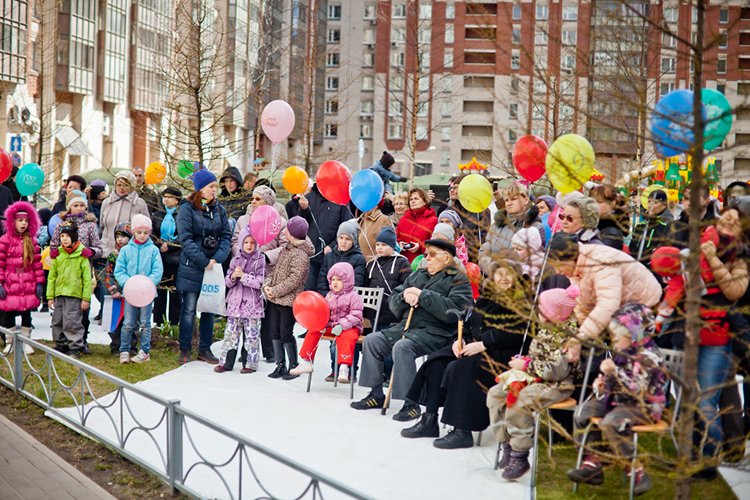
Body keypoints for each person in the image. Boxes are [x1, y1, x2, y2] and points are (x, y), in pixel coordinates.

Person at [400, 258, 531, 446]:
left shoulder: (522, 301)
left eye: (508, 274)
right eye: (499, 274)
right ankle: (429, 419)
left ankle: (462, 430)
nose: (503, 279)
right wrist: (459, 340)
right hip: (474, 348)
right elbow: (470, 325)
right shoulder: (487, 298)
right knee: (438, 360)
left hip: (502, 355)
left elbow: (516, 332)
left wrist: (484, 344)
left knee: (462, 367)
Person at [350, 239, 472, 414]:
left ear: (446, 258)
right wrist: (404, 296)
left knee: (403, 347)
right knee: (372, 340)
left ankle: (410, 402)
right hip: (406, 327)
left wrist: (423, 296)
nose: (427, 258)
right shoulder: (418, 275)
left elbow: (456, 311)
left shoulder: (458, 280)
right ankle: (376, 394)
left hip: (436, 332)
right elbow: (393, 298)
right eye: (426, 254)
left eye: (432, 254)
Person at [568, 303, 665, 496]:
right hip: (616, 400)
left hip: (643, 405)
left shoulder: (649, 356)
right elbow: (611, 384)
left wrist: (614, 373)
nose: (614, 340)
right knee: (582, 412)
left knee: (613, 422)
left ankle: (636, 470)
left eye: (618, 336)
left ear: (634, 334)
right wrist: (601, 384)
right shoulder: (621, 352)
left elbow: (637, 389)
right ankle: (593, 461)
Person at [487, 285, 580, 480]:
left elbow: (557, 370)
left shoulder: (569, 337)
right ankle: (507, 444)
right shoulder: (545, 329)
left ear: (554, 313)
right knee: (496, 394)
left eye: (542, 308)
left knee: (521, 401)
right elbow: (535, 355)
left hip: (557, 383)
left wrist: (526, 367)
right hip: (533, 376)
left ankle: (520, 455)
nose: (538, 311)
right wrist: (524, 362)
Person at [546, 232, 662, 362]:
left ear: (569, 258)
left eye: (558, 266)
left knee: (633, 360)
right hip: (619, 313)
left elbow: (608, 304)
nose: (557, 272)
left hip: (644, 305)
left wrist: (582, 336)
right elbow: (582, 305)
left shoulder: (601, 261)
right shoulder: (575, 268)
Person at [176, 169, 232, 365]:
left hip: (213, 267)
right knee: (189, 309)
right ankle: (184, 349)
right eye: (211, 187)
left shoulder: (219, 210)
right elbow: (186, 239)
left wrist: (217, 258)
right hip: (192, 266)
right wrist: (203, 261)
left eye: (216, 187)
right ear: (200, 188)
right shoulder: (187, 209)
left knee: (209, 309)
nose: (215, 190)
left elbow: (226, 236)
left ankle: (205, 349)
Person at [234, 185, 296, 363]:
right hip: (247, 272)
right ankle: (246, 351)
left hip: (270, 272)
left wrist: (266, 257)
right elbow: (234, 241)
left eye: (258, 199)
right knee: (248, 311)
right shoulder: (243, 221)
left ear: (268, 201)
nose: (253, 202)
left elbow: (286, 246)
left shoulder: (280, 223)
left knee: (269, 315)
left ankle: (270, 351)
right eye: (252, 198)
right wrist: (244, 256)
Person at [290, 262, 364, 383]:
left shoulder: (353, 296)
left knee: (347, 337)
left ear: (347, 280)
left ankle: (344, 367)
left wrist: (342, 325)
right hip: (331, 326)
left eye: (339, 280)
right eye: (333, 279)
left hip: (349, 327)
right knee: (313, 331)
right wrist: (322, 323)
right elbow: (325, 312)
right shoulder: (329, 295)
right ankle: (306, 361)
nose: (335, 282)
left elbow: (356, 314)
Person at [49, 190, 103, 353]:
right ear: (69, 207)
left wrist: (91, 251)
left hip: (82, 268)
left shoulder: (90, 225)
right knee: (62, 313)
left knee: (80, 309)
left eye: (82, 205)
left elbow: (99, 248)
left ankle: (81, 341)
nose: (79, 208)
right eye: (76, 205)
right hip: (64, 268)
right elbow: (54, 244)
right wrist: (53, 251)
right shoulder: (61, 225)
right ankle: (63, 342)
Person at [264, 216, 314, 380]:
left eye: (287, 229)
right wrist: (268, 285)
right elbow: (275, 271)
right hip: (275, 299)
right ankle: (280, 364)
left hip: (288, 300)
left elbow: (295, 279)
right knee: (274, 331)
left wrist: (275, 290)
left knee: (286, 332)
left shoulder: (300, 254)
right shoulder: (286, 249)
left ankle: (293, 365)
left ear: (292, 233)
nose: (284, 231)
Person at [214, 226, 265, 374]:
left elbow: (259, 283)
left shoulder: (260, 260)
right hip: (235, 305)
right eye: (246, 242)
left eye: (252, 243)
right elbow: (228, 282)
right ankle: (225, 362)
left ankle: (250, 363)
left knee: (252, 336)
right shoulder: (235, 259)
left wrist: (244, 276)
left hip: (252, 306)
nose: (249, 246)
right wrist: (233, 277)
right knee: (230, 335)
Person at [114, 214, 163, 364]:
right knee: (128, 323)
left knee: (145, 323)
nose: (142, 236)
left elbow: (157, 270)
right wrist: (128, 283)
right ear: (134, 232)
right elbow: (119, 270)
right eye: (139, 232)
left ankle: (145, 351)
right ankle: (124, 350)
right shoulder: (126, 250)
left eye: (146, 233)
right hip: (130, 293)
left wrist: (148, 284)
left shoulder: (153, 250)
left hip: (146, 293)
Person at [285, 182, 353, 291]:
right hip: (310, 256)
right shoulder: (308, 198)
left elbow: (346, 228)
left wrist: (333, 246)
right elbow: (300, 226)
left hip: (332, 256)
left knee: (328, 292)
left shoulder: (341, 201)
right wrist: (303, 209)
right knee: (309, 291)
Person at [0, 202, 44, 355]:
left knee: (27, 313)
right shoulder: (5, 240)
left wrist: (39, 282)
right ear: (13, 222)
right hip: (10, 281)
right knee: (9, 312)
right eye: (20, 220)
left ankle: (26, 342)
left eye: (26, 221)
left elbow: (37, 264)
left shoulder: (32, 241)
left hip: (27, 280)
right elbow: (0, 262)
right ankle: (10, 341)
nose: (23, 223)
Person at [47, 222, 91, 358]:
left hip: (74, 294)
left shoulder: (81, 255)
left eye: (67, 236)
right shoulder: (58, 255)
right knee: (57, 320)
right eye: (62, 236)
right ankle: (61, 344)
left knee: (72, 321)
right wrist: (50, 296)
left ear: (74, 237)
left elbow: (87, 279)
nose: (64, 239)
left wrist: (86, 298)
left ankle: (75, 347)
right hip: (59, 293)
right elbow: (52, 277)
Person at [479, 182, 543, 274]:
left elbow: (537, 258)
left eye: (513, 199)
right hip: (495, 279)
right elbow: (484, 251)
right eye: (506, 200)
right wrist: (493, 270)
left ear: (525, 200)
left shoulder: (535, 227)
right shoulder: (496, 226)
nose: (509, 203)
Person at [365, 227, 411, 330]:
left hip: (391, 313)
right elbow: (366, 284)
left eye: (384, 245)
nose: (380, 248)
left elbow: (407, 283)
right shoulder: (372, 264)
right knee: (374, 336)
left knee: (385, 339)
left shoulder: (402, 263)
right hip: (374, 311)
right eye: (378, 244)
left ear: (392, 246)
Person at [151, 187, 183, 327]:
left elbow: (185, 235)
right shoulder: (158, 214)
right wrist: (159, 244)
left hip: (177, 257)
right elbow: (152, 234)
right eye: (164, 196)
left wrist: (170, 245)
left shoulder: (182, 215)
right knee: (160, 291)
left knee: (175, 292)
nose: (166, 199)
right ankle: (159, 322)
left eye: (170, 197)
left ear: (177, 200)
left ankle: (174, 323)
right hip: (160, 257)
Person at [103, 222, 136, 355]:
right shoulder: (113, 255)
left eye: (124, 236)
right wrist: (113, 289)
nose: (120, 239)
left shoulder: (135, 254)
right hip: (117, 294)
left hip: (133, 293)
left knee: (132, 321)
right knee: (117, 321)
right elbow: (108, 274)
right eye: (117, 236)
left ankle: (131, 346)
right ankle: (116, 346)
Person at [99, 170, 150, 257]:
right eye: (119, 185)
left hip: (129, 255)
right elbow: (102, 227)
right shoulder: (107, 202)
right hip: (106, 252)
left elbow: (146, 229)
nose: (121, 188)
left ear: (132, 186)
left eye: (126, 185)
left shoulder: (139, 203)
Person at [317, 220, 366, 296]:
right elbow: (322, 280)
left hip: (347, 301)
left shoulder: (359, 259)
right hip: (328, 298)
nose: (343, 242)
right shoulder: (329, 256)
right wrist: (327, 295)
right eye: (341, 238)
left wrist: (342, 298)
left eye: (348, 239)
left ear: (353, 241)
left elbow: (357, 283)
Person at [629, 189, 674, 263]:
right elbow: (632, 247)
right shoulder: (641, 225)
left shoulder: (667, 227)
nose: (650, 205)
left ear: (664, 204)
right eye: (649, 201)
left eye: (655, 202)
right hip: (636, 267)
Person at [396, 188, 438, 264]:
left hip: (423, 262)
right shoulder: (403, 219)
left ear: (425, 201)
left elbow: (435, 244)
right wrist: (399, 244)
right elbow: (396, 238)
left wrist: (420, 247)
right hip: (403, 263)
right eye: (411, 199)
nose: (412, 201)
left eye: (416, 198)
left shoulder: (433, 220)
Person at [589, 185, 629, 251]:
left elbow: (601, 256)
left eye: (599, 202)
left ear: (611, 204)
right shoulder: (595, 224)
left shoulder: (612, 232)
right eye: (592, 202)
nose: (594, 205)